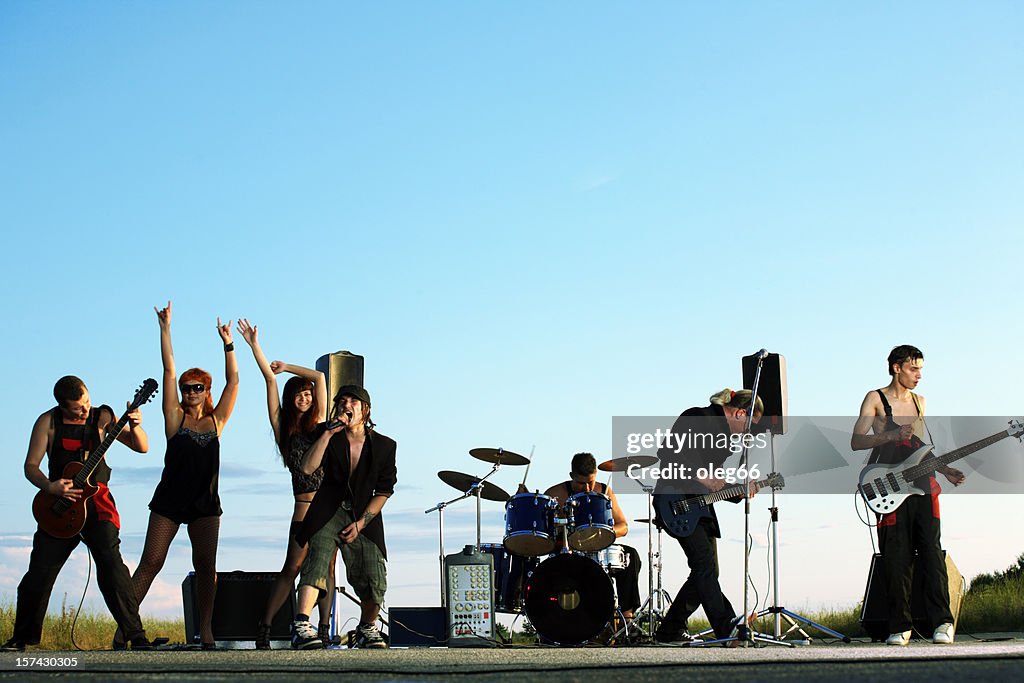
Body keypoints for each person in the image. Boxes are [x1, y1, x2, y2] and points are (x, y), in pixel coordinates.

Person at [2, 376, 151, 652]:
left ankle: (135, 635)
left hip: (97, 503)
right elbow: (30, 466)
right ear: (61, 406)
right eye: (77, 408)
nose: (84, 410)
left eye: (86, 402)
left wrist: (136, 426)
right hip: (60, 505)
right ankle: (20, 638)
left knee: (112, 565)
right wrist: (50, 486)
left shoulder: (103, 416)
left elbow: (141, 447)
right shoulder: (46, 422)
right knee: (39, 572)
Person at [126, 302, 239, 649]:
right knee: (151, 562)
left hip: (205, 503)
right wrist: (165, 329)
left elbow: (234, 380)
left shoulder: (216, 420)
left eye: (197, 388)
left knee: (206, 566)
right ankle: (125, 627)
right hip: (169, 501)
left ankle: (206, 630)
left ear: (206, 391)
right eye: (187, 388)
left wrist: (228, 344)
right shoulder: (174, 419)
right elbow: (169, 371)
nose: (190, 392)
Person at [851, 344, 963, 646]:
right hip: (889, 485)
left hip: (923, 484)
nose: (919, 375)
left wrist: (945, 469)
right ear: (897, 367)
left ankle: (943, 622)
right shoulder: (875, 398)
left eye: (921, 370)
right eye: (914, 369)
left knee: (931, 552)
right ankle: (899, 626)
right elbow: (857, 441)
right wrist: (890, 435)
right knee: (896, 557)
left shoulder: (920, 401)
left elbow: (921, 449)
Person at [237, 318, 336, 649]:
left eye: (308, 395)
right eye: (299, 394)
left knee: (328, 570)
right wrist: (255, 347)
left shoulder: (320, 422)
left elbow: (321, 377)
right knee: (292, 567)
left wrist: (291, 366)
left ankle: (324, 629)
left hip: (329, 507)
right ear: (291, 398)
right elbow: (268, 380)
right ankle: (264, 628)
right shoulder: (283, 428)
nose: (305, 398)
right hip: (303, 507)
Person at [290, 385, 397, 650]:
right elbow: (307, 468)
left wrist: (361, 524)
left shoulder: (384, 446)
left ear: (365, 410)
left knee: (375, 576)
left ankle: (366, 628)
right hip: (329, 510)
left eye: (353, 401)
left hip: (363, 516)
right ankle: (301, 625)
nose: (346, 405)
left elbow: (384, 490)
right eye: (342, 400)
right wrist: (327, 434)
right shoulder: (326, 434)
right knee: (316, 560)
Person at [653, 388, 762, 646]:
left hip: (700, 507)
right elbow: (668, 454)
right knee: (704, 566)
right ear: (739, 412)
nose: (749, 433)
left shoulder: (724, 439)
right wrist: (702, 476)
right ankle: (726, 629)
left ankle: (669, 632)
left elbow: (714, 485)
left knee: (706, 571)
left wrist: (739, 492)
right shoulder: (698, 417)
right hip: (675, 500)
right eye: (750, 426)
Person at [520, 452, 642, 623]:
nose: (587, 488)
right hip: (568, 551)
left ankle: (627, 618)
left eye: (590, 482)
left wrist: (605, 533)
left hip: (599, 548)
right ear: (571, 476)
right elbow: (545, 533)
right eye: (581, 483)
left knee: (631, 557)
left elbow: (623, 526)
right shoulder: (555, 494)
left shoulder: (605, 492)